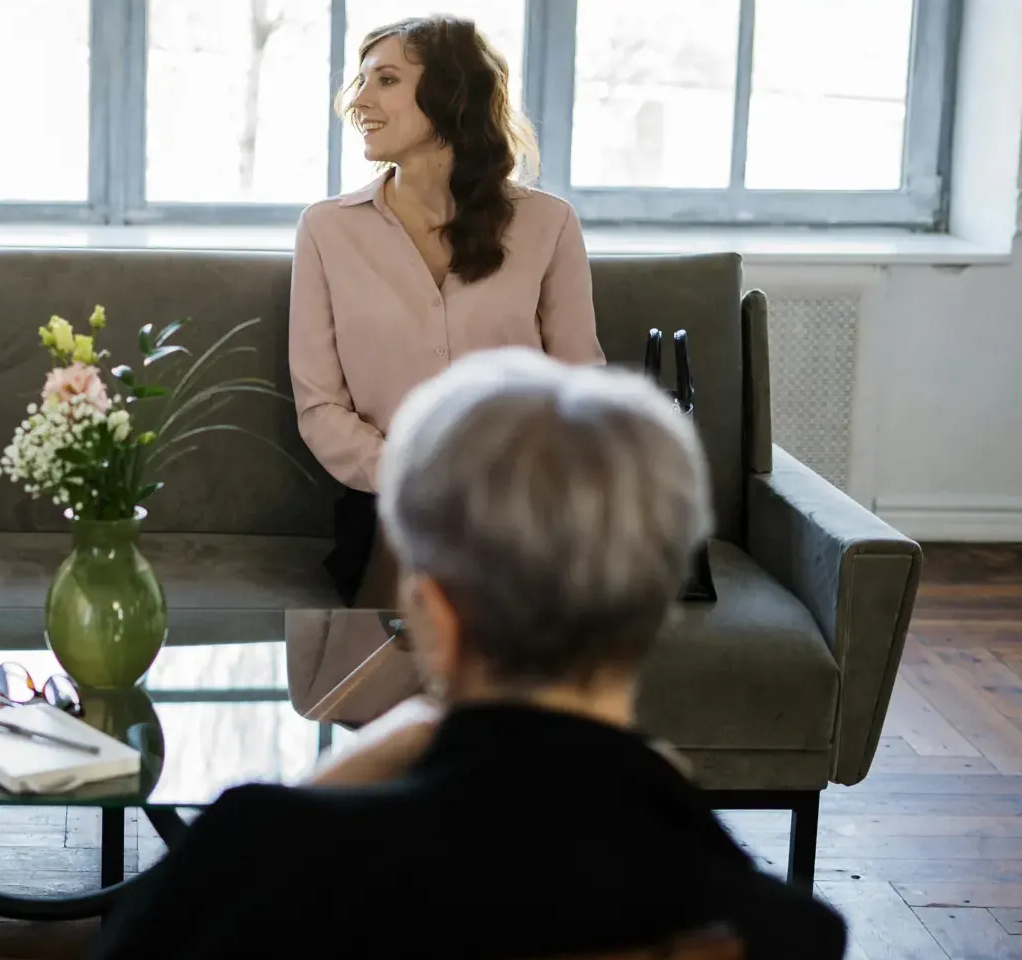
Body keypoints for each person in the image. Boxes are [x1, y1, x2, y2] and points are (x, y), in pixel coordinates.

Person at [90, 349, 847, 960]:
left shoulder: (258, 862)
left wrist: (325, 780)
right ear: (653, 613)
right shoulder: (780, 932)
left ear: (434, 615)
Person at [289, 15, 606, 608]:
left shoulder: (548, 224)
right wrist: (417, 478)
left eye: (385, 81)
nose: (358, 101)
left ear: (451, 93)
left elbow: (579, 387)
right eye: (360, 82)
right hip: (390, 501)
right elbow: (319, 407)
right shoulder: (327, 229)